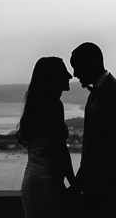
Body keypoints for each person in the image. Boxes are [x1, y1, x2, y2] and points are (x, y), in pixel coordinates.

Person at [70, 42, 116, 218]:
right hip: (101, 186)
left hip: (112, 188)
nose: (75, 74)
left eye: (77, 68)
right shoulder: (97, 93)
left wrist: (79, 182)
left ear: (91, 64)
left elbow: (109, 146)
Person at [17, 56, 76, 218]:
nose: (70, 76)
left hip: (35, 181)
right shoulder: (54, 106)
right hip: (47, 185)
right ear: (54, 77)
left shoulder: (37, 106)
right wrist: (75, 185)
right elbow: (60, 151)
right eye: (64, 72)